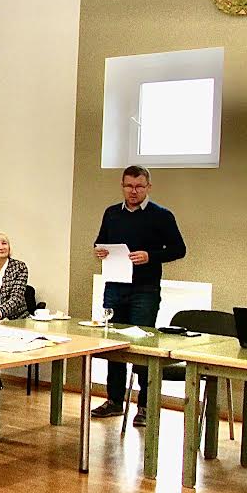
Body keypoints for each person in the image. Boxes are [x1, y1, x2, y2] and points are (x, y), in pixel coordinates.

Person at [90, 166, 186, 426]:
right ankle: (114, 400)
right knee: (114, 344)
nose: (133, 191)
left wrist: (150, 255)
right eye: (129, 186)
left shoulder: (162, 216)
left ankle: (144, 404)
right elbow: (100, 241)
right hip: (115, 286)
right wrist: (99, 250)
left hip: (145, 289)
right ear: (122, 186)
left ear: (148, 187)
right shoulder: (111, 213)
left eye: (139, 187)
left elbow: (179, 249)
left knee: (142, 346)